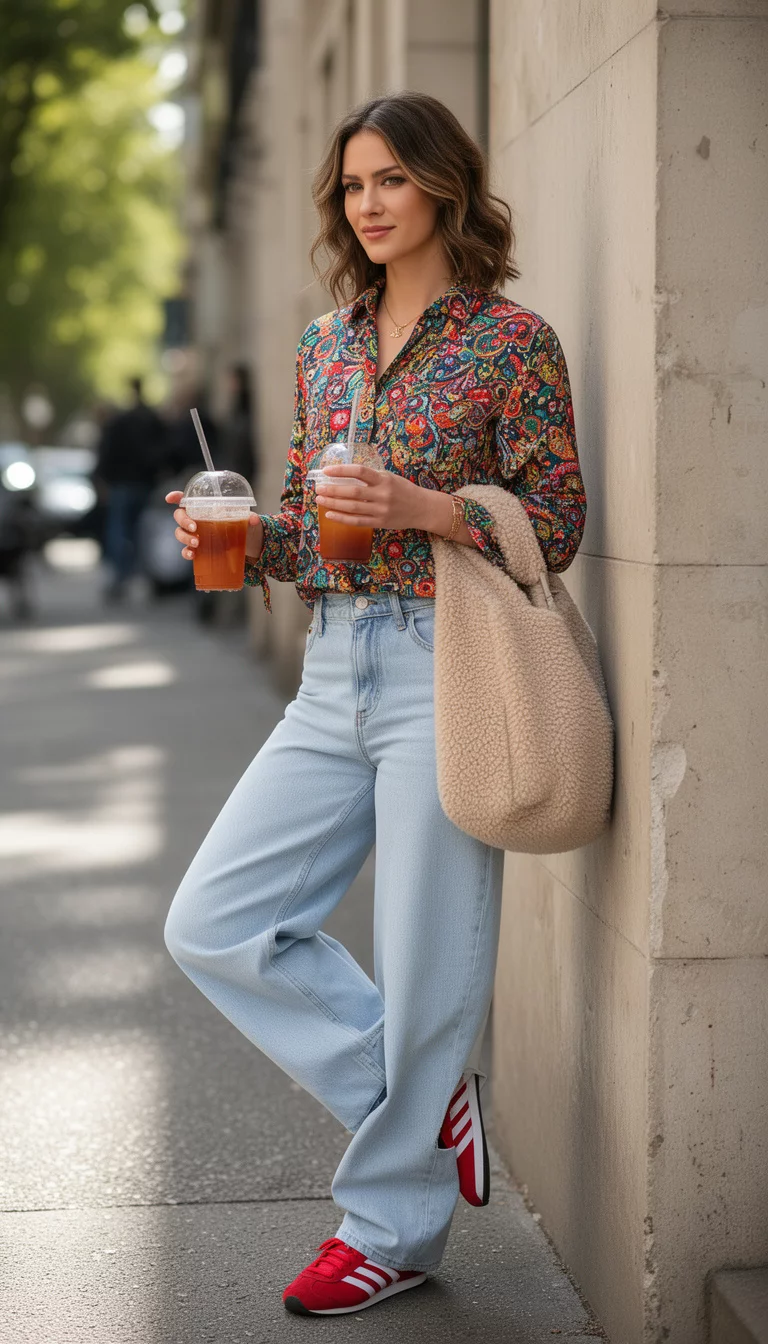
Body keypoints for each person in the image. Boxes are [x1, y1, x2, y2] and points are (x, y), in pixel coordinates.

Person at [163, 92, 586, 1317]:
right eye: (353, 186)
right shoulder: (324, 344)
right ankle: (422, 1093)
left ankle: (390, 1231)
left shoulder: (513, 343)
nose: (370, 204)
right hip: (332, 665)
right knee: (215, 920)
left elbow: (553, 525)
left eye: (391, 179)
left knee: (424, 959)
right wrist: (239, 536)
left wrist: (431, 507)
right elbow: (314, 532)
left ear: (445, 187)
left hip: (442, 663)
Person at [95, 376, 166, 599]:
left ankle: (121, 578)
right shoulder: (150, 419)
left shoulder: (120, 421)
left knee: (120, 532)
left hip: (123, 485)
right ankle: (148, 579)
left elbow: (106, 452)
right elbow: (163, 450)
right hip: (143, 484)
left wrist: (102, 479)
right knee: (143, 533)